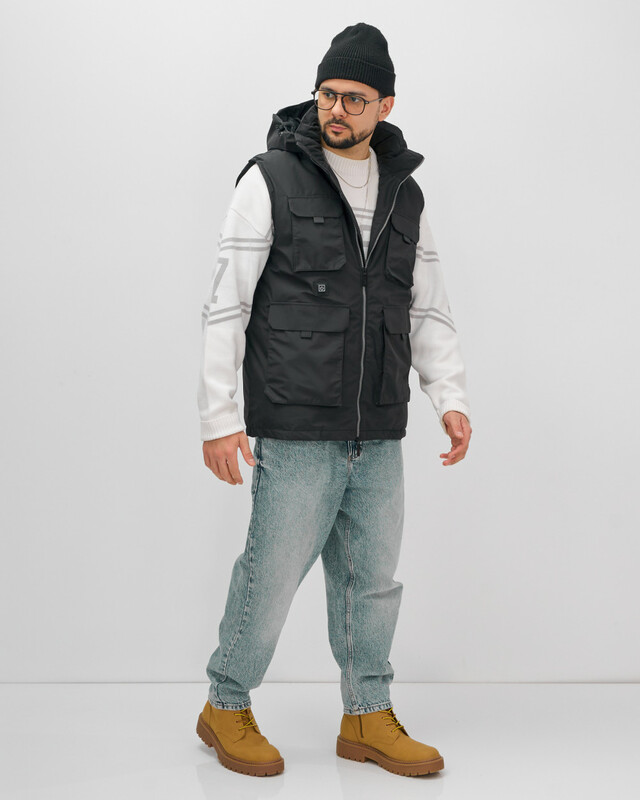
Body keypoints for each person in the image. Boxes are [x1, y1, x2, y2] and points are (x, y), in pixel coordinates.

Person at [195, 22, 472, 777]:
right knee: (270, 576)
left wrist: (448, 396)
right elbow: (227, 305)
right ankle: (225, 704)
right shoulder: (270, 178)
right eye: (327, 94)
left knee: (372, 584)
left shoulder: (405, 194)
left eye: (353, 98)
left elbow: (427, 306)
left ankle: (367, 715)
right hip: (295, 425)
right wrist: (219, 418)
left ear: (385, 105)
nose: (336, 110)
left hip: (378, 426)